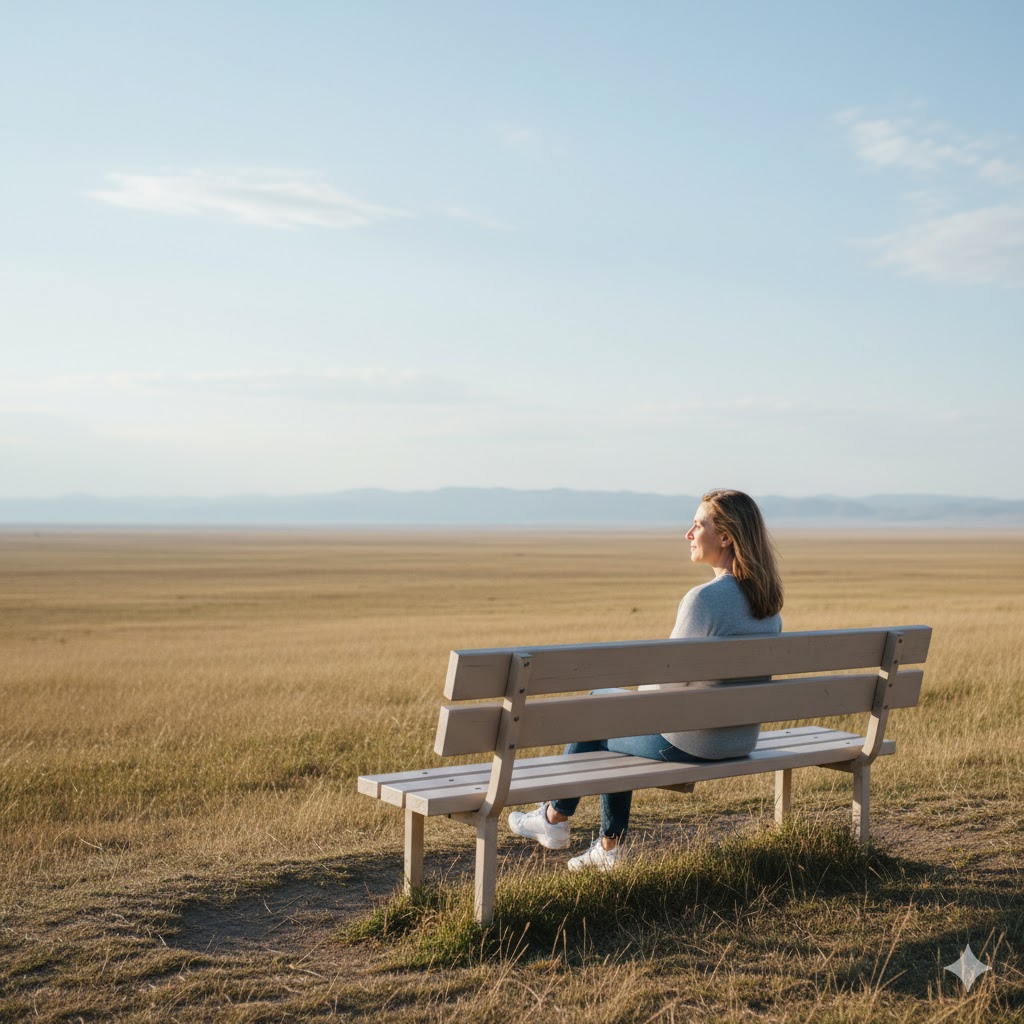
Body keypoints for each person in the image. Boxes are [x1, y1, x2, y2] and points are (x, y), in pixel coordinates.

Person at [508, 488, 784, 871]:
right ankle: (591, 838)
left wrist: (630, 704)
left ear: (725, 537)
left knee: (601, 715)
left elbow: (667, 685)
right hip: (740, 739)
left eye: (698, 525)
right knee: (607, 705)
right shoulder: (769, 606)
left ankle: (560, 820)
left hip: (693, 743)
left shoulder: (704, 600)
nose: (688, 534)